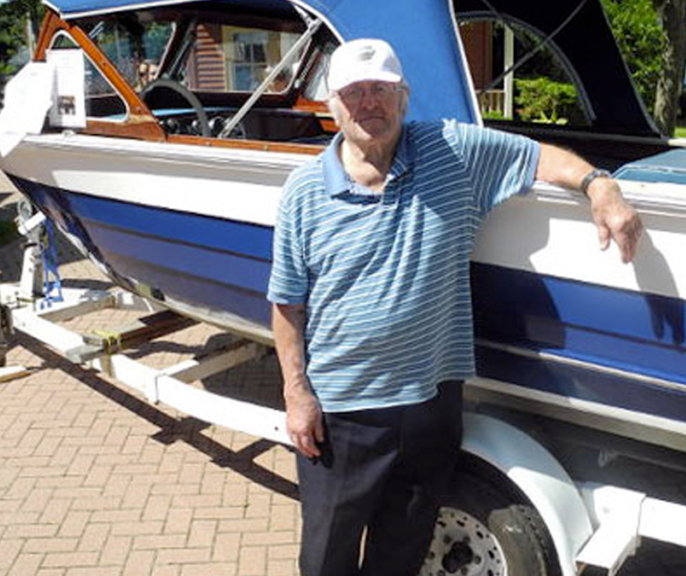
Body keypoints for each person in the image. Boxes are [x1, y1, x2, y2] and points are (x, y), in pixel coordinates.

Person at [267, 39, 643, 576]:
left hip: (430, 404)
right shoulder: (304, 190)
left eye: (382, 90)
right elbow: (287, 302)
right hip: (343, 411)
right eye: (354, 92)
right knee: (327, 556)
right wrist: (296, 393)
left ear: (404, 97)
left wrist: (599, 186)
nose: (369, 103)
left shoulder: (455, 151)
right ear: (332, 104)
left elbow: (541, 158)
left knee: (402, 550)